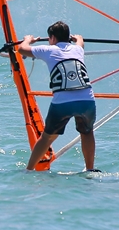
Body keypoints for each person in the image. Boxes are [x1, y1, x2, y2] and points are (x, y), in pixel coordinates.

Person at [19, 21, 97, 171]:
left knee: (47, 137)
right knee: (87, 133)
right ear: (69, 38)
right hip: (86, 101)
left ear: (52, 38)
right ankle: (90, 169)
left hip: (63, 103)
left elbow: (22, 49)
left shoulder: (48, 50)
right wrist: (78, 38)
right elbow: (81, 43)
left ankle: (29, 169)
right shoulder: (78, 49)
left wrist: (28, 39)